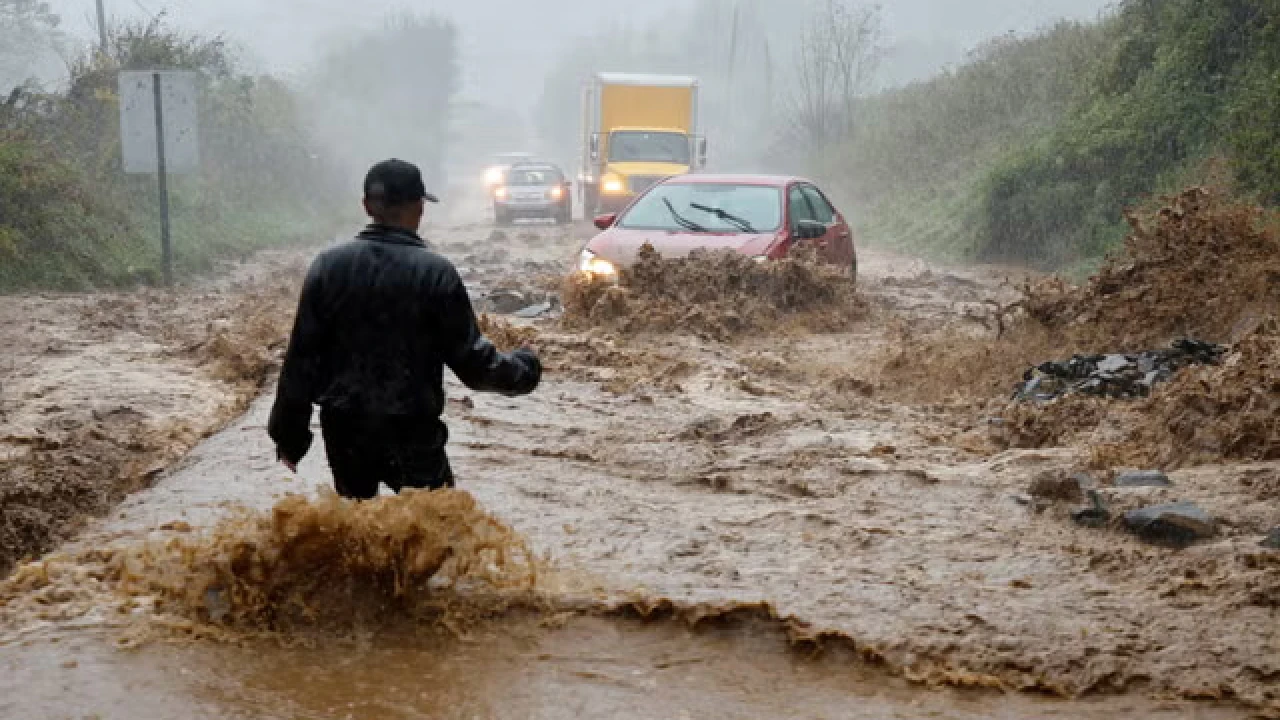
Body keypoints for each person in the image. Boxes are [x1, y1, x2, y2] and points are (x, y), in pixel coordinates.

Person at [267, 158, 541, 499]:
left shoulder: (327, 266)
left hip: (344, 430)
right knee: (435, 532)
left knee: (357, 531)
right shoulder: (436, 273)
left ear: (367, 206)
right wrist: (525, 367)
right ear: (419, 207)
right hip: (412, 431)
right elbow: (473, 364)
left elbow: (301, 361)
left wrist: (289, 438)